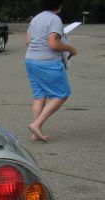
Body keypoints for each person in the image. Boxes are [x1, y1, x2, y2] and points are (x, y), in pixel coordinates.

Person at [25, 0, 78, 142]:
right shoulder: (55, 19)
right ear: (59, 5)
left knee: (39, 95)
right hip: (47, 62)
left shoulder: (36, 18)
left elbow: (28, 41)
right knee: (62, 94)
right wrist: (69, 48)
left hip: (30, 60)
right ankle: (36, 125)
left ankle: (36, 132)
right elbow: (53, 44)